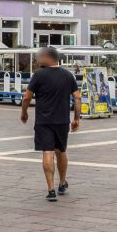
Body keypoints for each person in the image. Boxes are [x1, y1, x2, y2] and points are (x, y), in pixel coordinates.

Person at [19, 46, 80, 202]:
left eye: (39, 57)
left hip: (44, 121)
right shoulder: (68, 75)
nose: (38, 60)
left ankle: (51, 189)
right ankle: (62, 182)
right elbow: (77, 98)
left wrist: (24, 112)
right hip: (62, 120)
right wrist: (76, 118)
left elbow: (26, 97)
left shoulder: (38, 75)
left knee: (47, 152)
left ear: (47, 58)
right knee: (61, 151)